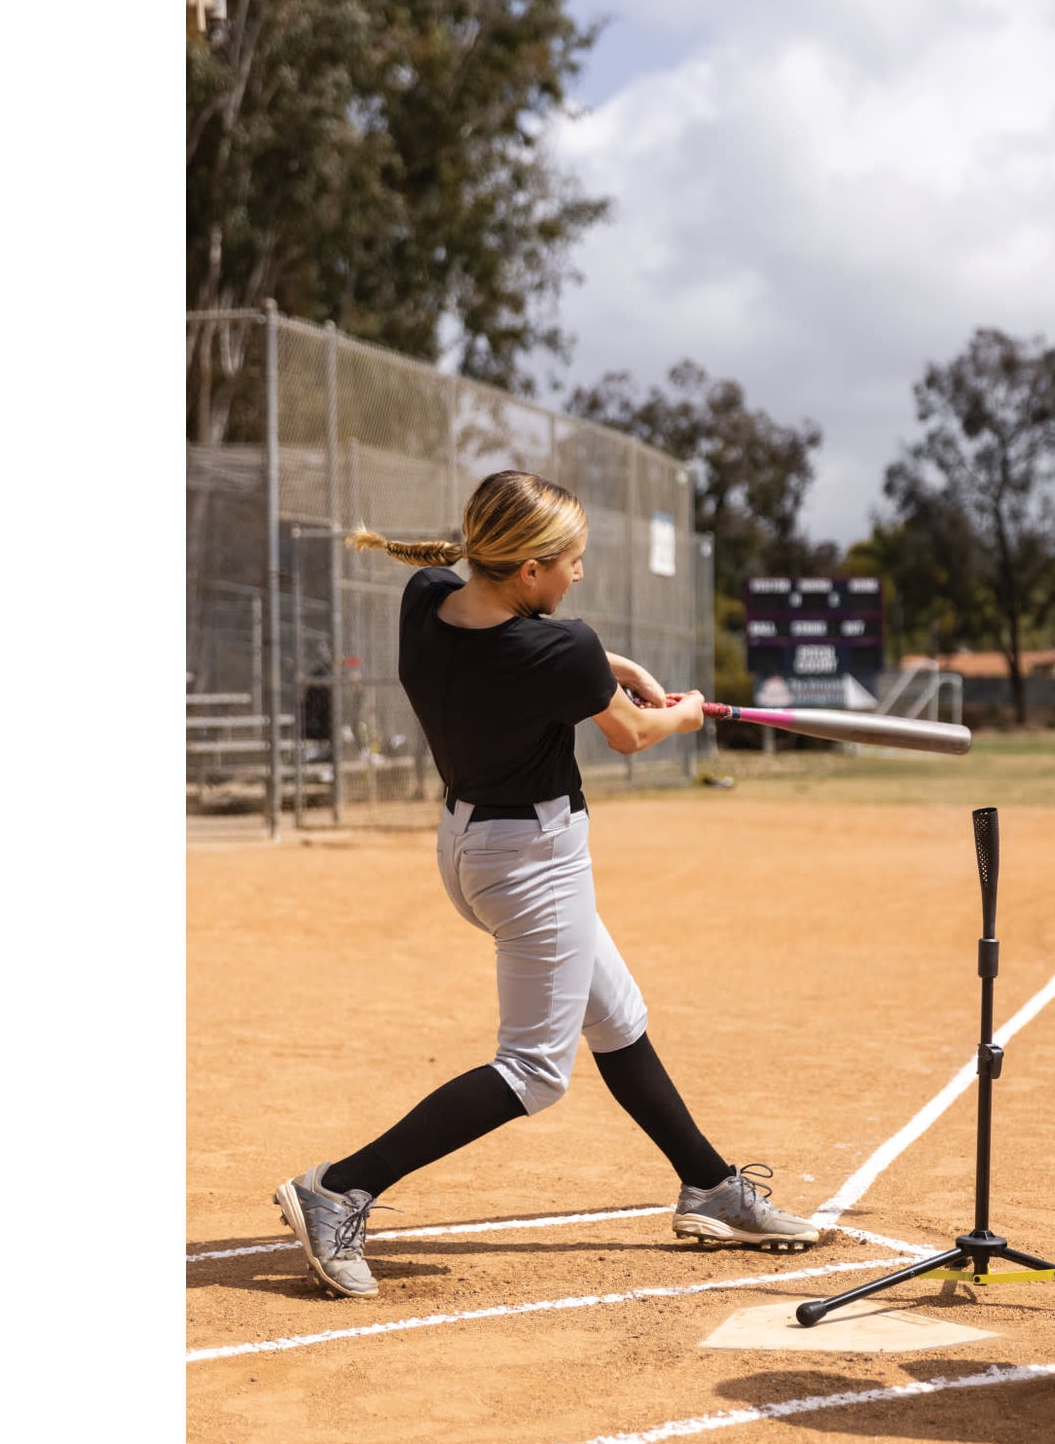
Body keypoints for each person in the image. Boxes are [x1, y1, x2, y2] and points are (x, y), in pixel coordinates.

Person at [273, 470, 822, 1299]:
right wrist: (686, 711)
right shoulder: (559, 651)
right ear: (528, 570)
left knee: (617, 1018)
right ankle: (340, 1187)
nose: (579, 574)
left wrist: (611, 664)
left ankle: (709, 1186)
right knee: (534, 1070)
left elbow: (533, 649)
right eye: (570, 561)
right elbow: (633, 734)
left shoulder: (426, 598)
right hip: (536, 863)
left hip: (470, 846)